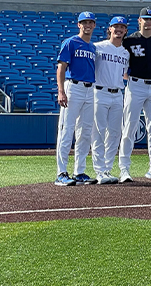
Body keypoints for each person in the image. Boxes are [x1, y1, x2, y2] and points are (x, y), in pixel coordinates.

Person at [119, 7, 151, 183]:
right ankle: (124, 168)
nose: (148, 22)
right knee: (129, 127)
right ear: (139, 20)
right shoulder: (130, 40)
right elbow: (122, 63)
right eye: (145, 18)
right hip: (135, 85)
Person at [55, 11, 98, 186]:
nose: (87, 25)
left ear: (94, 25)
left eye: (90, 22)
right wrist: (61, 91)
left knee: (85, 132)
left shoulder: (93, 47)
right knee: (66, 130)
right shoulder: (71, 42)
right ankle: (61, 173)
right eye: (84, 22)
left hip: (90, 89)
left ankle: (79, 171)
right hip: (73, 87)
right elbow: (61, 67)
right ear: (78, 24)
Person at [91, 16, 130, 185]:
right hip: (99, 92)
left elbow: (126, 74)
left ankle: (107, 168)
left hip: (117, 93)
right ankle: (99, 170)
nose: (119, 29)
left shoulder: (125, 53)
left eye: (122, 27)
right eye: (116, 26)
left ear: (126, 30)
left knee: (114, 133)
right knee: (98, 132)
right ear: (110, 29)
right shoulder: (98, 47)